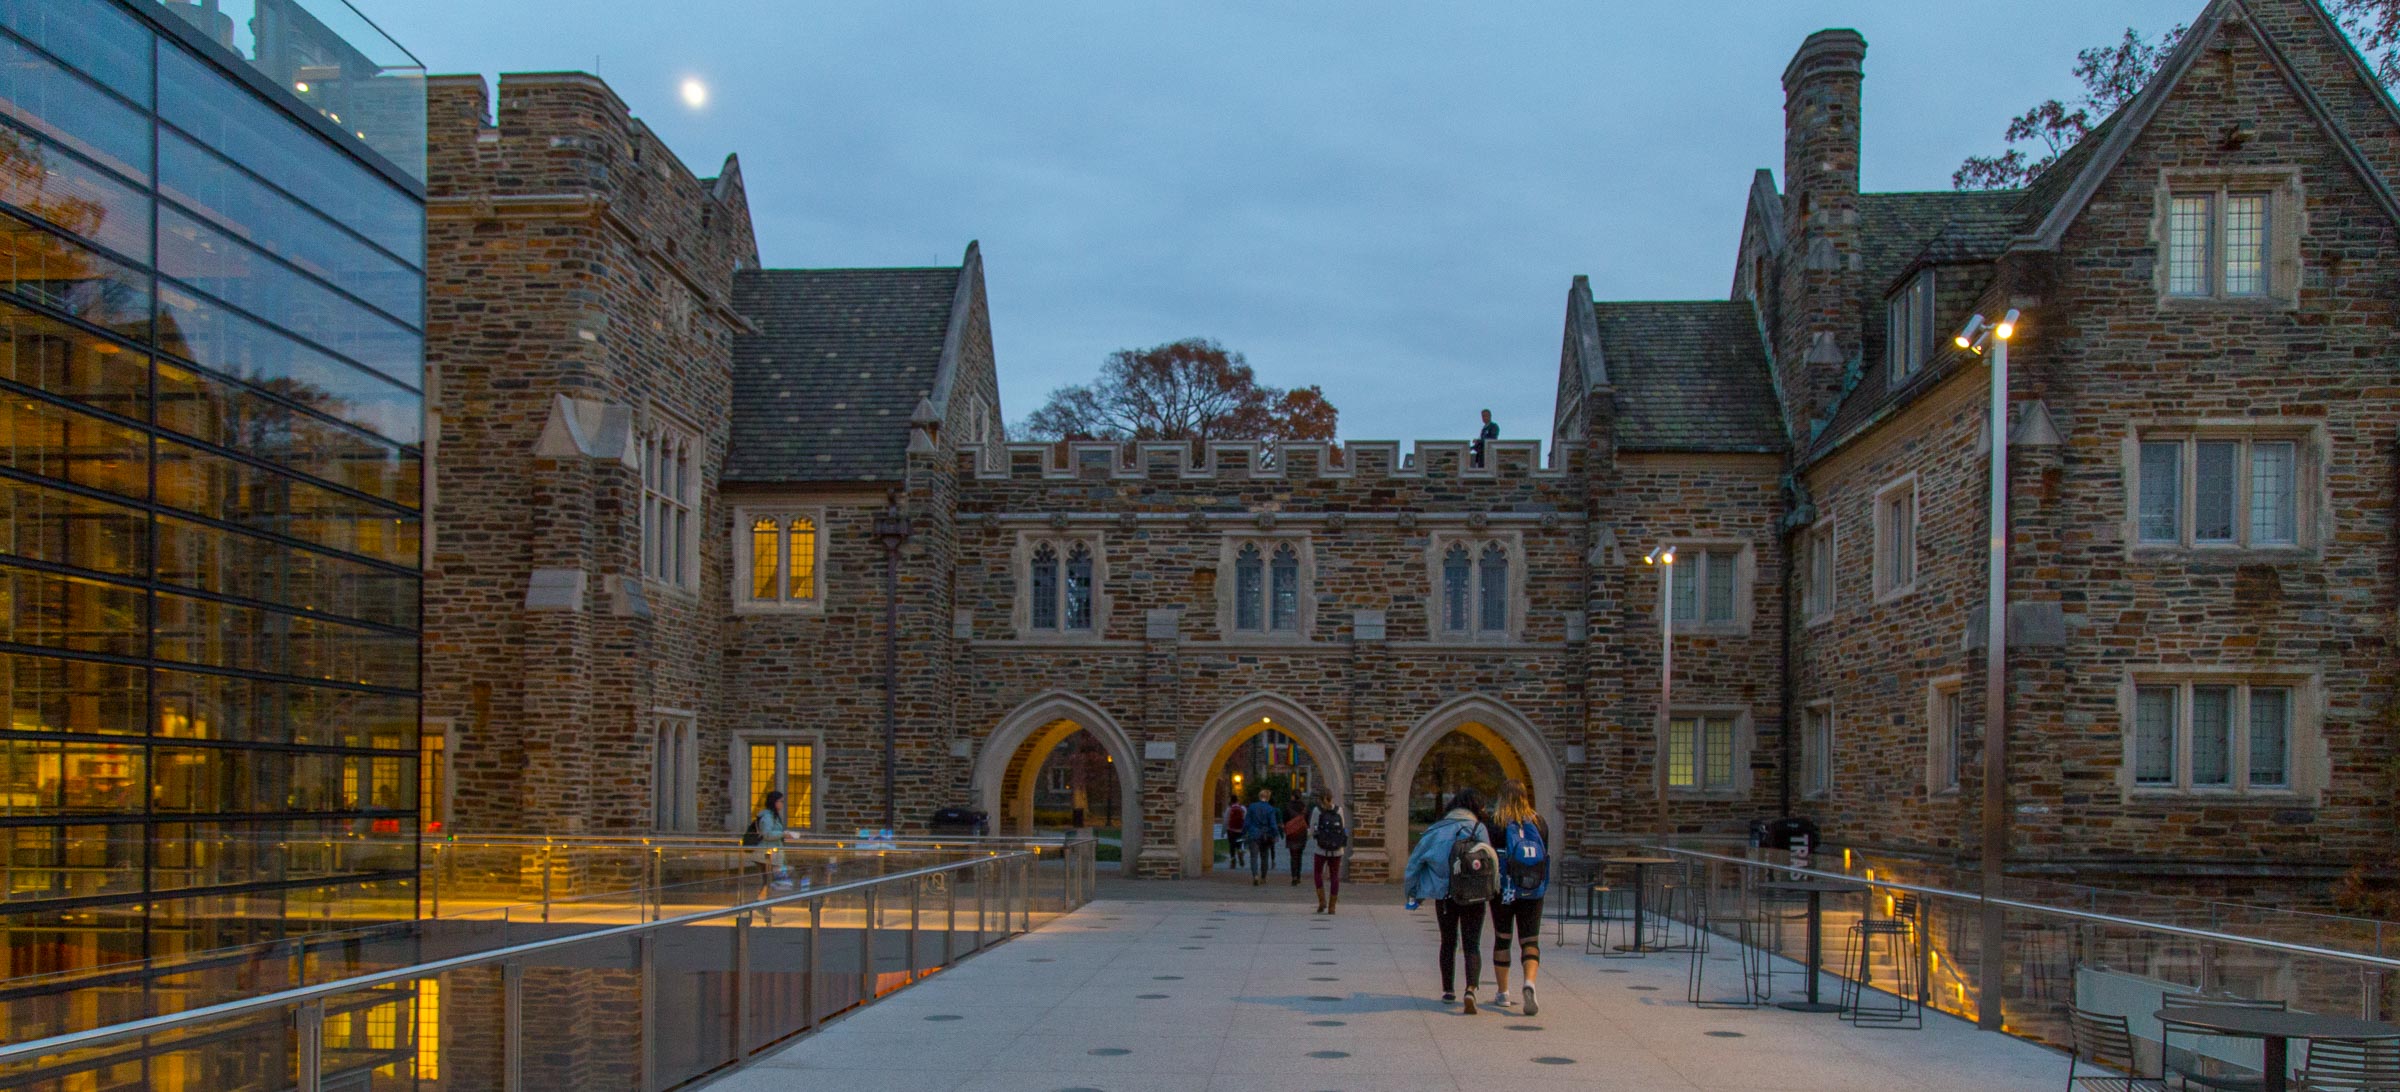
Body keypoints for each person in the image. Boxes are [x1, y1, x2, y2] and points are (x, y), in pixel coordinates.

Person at [1405, 787, 1498, 1013]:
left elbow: (1415, 862)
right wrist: (1494, 888)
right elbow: (1490, 860)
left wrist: (1413, 892)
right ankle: (1470, 989)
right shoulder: (1478, 828)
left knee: (1448, 942)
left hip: (1445, 895)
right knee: (1472, 944)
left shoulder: (1437, 829)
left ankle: (1448, 990)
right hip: (1474, 894)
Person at [1486, 779, 1549, 1016]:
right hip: (1532, 889)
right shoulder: (1539, 822)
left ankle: (1503, 993)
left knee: (1503, 938)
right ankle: (1529, 982)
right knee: (1530, 940)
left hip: (1503, 890)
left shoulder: (1495, 823)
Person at [745, 790, 794, 917]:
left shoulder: (773, 816)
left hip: (770, 853)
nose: (782, 804)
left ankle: (762, 904)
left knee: (768, 880)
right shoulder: (767, 817)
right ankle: (760, 904)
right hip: (765, 854)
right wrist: (783, 834)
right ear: (774, 802)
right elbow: (767, 834)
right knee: (768, 880)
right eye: (781, 801)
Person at [1305, 788, 1349, 914]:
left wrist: (1309, 834)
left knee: (1318, 873)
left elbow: (1313, 829)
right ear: (1331, 797)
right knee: (1334, 876)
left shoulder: (1317, 811)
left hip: (1321, 848)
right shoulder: (1339, 810)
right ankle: (1332, 907)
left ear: (1320, 799)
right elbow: (1343, 828)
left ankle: (1322, 901)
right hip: (1337, 850)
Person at [1243, 789, 1282, 886]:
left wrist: (1243, 832)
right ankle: (1263, 877)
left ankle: (1255, 875)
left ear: (1259, 796)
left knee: (1254, 857)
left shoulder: (1252, 807)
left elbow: (1247, 822)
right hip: (1265, 835)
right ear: (1268, 798)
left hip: (1253, 833)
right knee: (1264, 856)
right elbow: (1273, 824)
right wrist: (1276, 834)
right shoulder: (1270, 809)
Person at [1282, 806, 1307, 886]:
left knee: (1293, 857)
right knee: (1299, 856)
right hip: (1301, 833)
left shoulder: (1288, 807)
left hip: (1292, 835)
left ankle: (1294, 877)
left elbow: (1284, 821)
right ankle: (1298, 876)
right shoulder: (1303, 807)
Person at [1223, 798, 1248, 868]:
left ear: (1231, 802)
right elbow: (1245, 819)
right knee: (1239, 844)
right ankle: (1240, 852)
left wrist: (1223, 832)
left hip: (1230, 831)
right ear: (1238, 801)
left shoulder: (1229, 809)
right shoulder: (1243, 809)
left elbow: (1226, 821)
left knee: (1232, 846)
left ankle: (1233, 862)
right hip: (1240, 831)